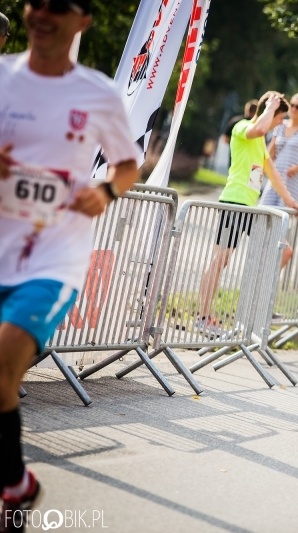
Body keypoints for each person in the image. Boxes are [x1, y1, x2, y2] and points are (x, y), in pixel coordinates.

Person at [0, 0, 140, 527]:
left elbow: (128, 164)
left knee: (2, 366)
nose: (43, 14)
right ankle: (16, 483)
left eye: (60, 7)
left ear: (82, 21)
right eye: (37, 3)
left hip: (52, 259)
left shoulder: (97, 92)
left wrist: (105, 189)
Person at [196, 92, 298, 333]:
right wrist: (270, 107)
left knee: (283, 250)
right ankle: (202, 317)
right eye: (279, 117)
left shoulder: (260, 142)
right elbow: (259, 128)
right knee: (220, 260)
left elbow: (272, 173)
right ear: (270, 112)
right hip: (234, 202)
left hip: (251, 208)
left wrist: (291, 202)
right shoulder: (243, 128)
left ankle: (260, 307)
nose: (280, 123)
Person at [260, 92, 298, 209]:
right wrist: (260, 170)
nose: (294, 108)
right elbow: (270, 152)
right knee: (265, 209)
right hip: (275, 175)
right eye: (292, 105)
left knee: (284, 214)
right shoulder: (280, 125)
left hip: (293, 180)